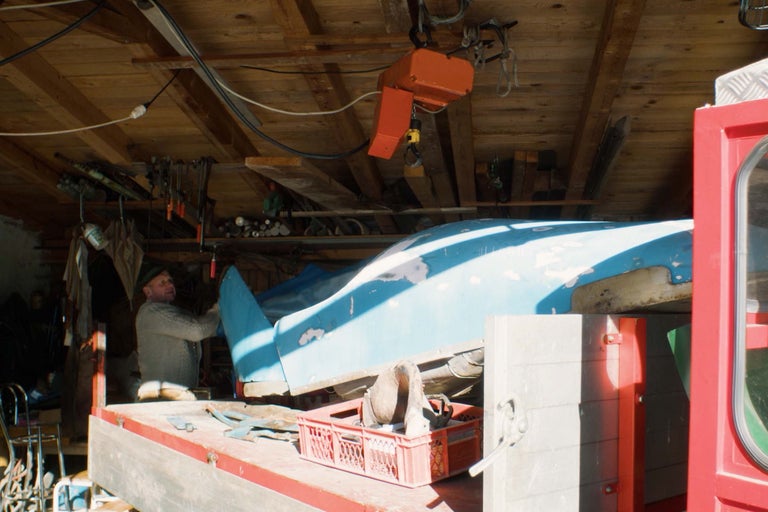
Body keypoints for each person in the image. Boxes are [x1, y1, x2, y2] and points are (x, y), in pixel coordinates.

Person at [134, 266, 220, 401]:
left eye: (170, 281)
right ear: (148, 291)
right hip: (160, 399)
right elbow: (198, 330)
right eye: (161, 283)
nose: (169, 284)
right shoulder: (152, 312)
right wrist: (217, 311)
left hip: (175, 396)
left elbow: (207, 329)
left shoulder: (172, 312)